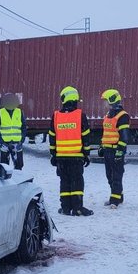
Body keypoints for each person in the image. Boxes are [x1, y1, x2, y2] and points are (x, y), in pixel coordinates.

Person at [48, 86, 93, 216]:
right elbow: (86, 137)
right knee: (76, 181)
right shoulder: (80, 115)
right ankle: (78, 208)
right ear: (74, 98)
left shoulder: (56, 116)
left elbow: (52, 137)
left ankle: (66, 208)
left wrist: (53, 155)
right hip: (76, 157)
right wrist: (87, 154)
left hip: (61, 158)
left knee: (64, 182)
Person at [99, 88, 131, 208]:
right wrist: (102, 146)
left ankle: (114, 200)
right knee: (109, 175)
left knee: (116, 175)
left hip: (116, 150)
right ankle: (118, 195)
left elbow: (124, 136)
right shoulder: (108, 115)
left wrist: (120, 151)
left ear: (112, 100)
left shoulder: (123, 116)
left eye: (106, 101)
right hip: (108, 150)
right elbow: (106, 133)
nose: (105, 103)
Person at [0, 92, 27, 170]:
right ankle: (6, 182)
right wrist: (1, 142)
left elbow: (24, 127)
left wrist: (21, 141)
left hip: (17, 144)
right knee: (4, 167)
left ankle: (18, 181)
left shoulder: (19, 112)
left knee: (19, 167)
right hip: (5, 144)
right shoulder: (0, 113)